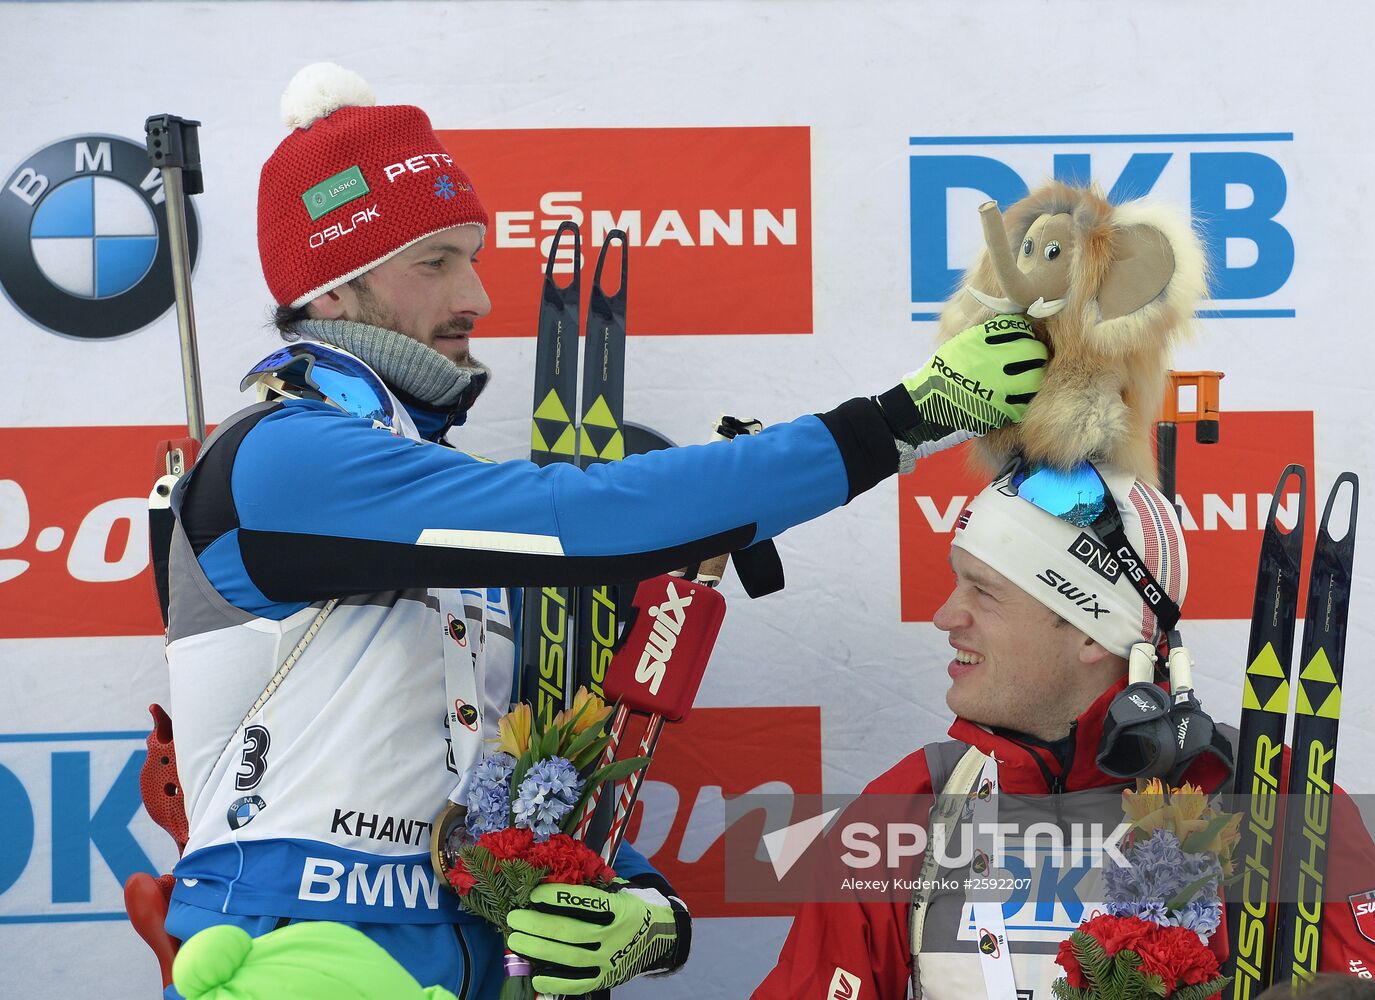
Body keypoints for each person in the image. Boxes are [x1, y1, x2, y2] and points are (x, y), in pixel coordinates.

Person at [159, 62, 1049, 1000]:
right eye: (435, 262)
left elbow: (525, 795)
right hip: (297, 964)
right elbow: (581, 522)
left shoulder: (431, 501)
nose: (479, 299)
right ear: (331, 292)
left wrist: (646, 916)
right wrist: (894, 423)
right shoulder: (283, 459)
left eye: (473, 255)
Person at [754, 461, 1375, 999]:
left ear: (1089, 632)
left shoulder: (1273, 795)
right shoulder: (908, 810)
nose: (946, 615)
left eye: (985, 592)